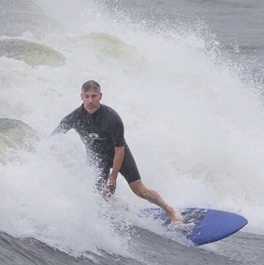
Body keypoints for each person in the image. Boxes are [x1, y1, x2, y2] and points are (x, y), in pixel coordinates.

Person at [53, 80, 182, 223]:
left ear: (100, 96)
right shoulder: (73, 117)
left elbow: (119, 150)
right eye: (87, 96)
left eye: (94, 96)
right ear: (81, 96)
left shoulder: (112, 118)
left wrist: (113, 177)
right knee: (98, 196)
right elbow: (54, 138)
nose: (90, 101)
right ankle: (107, 219)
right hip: (97, 159)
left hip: (119, 155)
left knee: (140, 190)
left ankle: (171, 211)